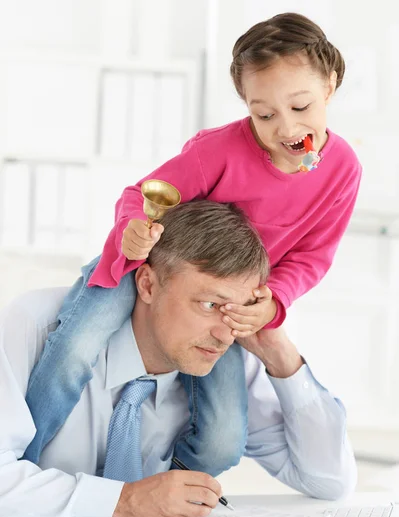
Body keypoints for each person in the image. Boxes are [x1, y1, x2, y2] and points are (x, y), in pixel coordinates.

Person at [23, 12, 362, 475]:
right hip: (147, 267)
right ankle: (22, 463)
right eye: (263, 114)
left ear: (330, 85)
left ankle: (172, 493)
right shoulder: (218, 151)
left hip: (229, 301)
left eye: (300, 107)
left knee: (224, 438)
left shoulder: (343, 169)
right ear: (246, 105)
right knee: (75, 350)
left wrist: (274, 299)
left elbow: (314, 256)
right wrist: (134, 229)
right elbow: (141, 195)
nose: (285, 128)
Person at [0, 201, 356, 517]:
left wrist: (280, 353)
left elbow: (329, 481)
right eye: (208, 305)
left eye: (237, 309)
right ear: (148, 284)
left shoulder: (225, 358)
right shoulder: (36, 326)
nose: (223, 332)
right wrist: (125, 502)